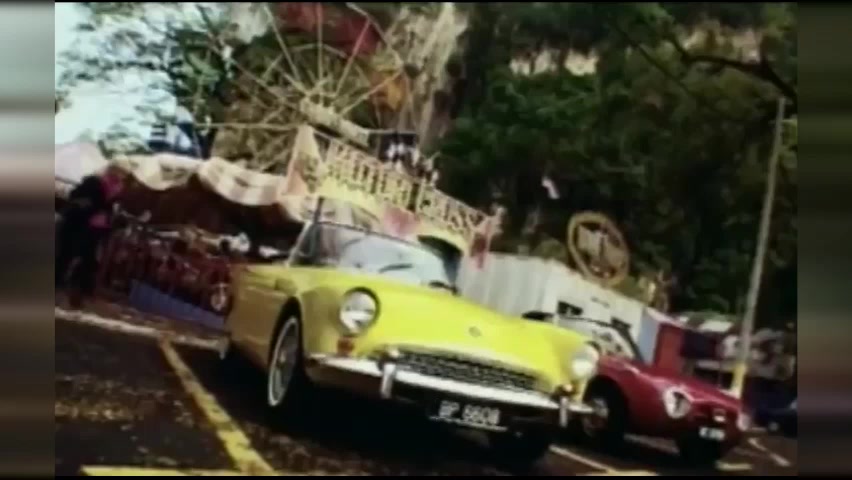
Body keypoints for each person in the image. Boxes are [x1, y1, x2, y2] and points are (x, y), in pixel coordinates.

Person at [55, 167, 125, 308]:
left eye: (122, 173)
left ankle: (77, 293)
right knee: (66, 255)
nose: (120, 175)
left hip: (96, 229)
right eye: (118, 172)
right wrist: (92, 206)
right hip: (78, 223)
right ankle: (62, 286)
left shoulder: (117, 189)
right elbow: (76, 196)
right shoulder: (94, 182)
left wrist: (111, 220)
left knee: (88, 261)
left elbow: (108, 209)